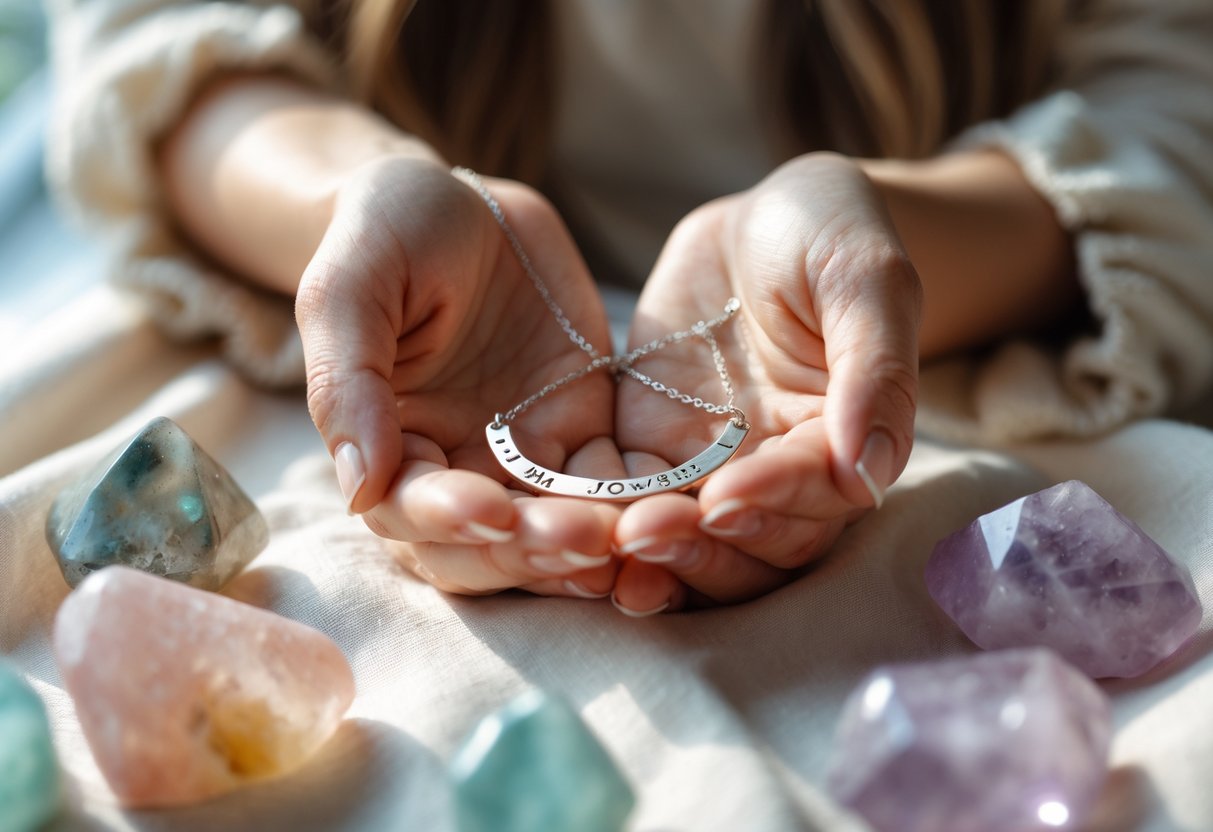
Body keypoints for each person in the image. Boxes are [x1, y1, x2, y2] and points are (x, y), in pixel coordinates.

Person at [45, 0, 1213, 616]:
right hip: (463, 324)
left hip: (908, 325)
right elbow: (145, 36)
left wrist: (888, 248)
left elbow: (1179, 97)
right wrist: (350, 202)